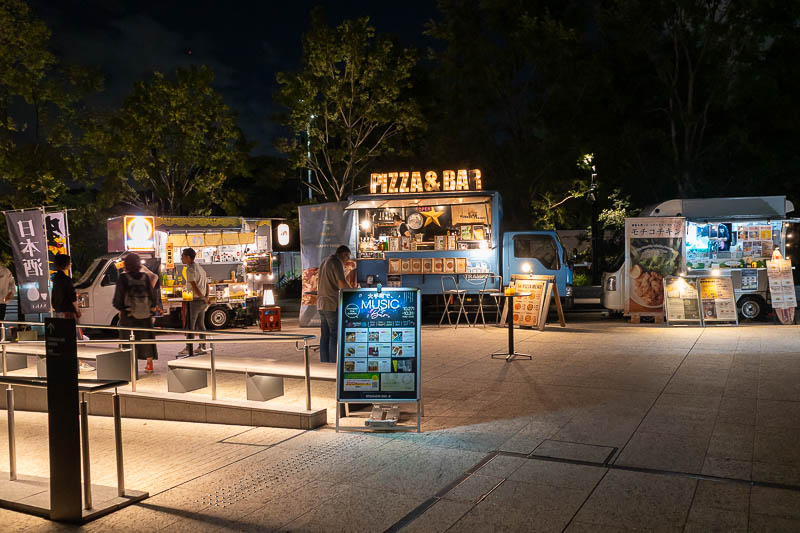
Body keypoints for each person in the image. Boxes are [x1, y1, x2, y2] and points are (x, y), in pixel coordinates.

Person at [113, 253, 159, 372]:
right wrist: (151, 309)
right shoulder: (144, 277)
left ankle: (130, 368)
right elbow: (153, 296)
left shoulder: (123, 278)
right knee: (146, 339)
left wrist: (122, 309)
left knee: (128, 340)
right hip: (145, 316)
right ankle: (149, 364)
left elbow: (117, 299)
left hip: (128, 316)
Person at [51, 254, 93, 372]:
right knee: (75, 338)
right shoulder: (66, 279)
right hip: (68, 313)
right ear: (65, 264)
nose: (71, 264)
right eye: (69, 262)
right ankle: (78, 363)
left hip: (59, 312)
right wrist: (78, 310)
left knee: (62, 338)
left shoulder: (55, 279)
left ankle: (66, 362)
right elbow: (72, 297)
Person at [316, 245, 351, 363]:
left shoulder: (324, 261)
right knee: (334, 335)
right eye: (348, 256)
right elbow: (341, 283)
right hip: (331, 303)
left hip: (321, 303)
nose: (347, 260)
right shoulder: (336, 262)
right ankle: (333, 363)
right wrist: (354, 291)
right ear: (343, 254)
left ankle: (324, 362)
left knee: (324, 335)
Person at [178, 248, 208, 356]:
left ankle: (188, 347)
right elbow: (207, 283)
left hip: (195, 300)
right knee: (201, 324)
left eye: (183, 256)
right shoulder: (200, 268)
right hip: (201, 300)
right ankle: (202, 347)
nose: (181, 258)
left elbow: (194, 284)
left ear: (188, 258)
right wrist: (205, 297)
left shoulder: (190, 269)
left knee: (190, 325)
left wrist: (201, 296)